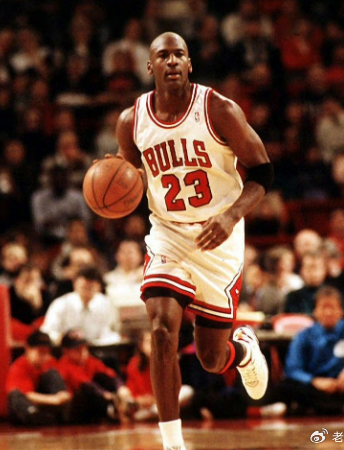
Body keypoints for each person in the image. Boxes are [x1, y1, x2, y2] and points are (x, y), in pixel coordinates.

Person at [114, 32, 272, 450]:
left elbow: (263, 172)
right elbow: (131, 179)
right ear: (149, 66)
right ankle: (173, 444)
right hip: (168, 234)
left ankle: (242, 351)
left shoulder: (219, 110)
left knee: (211, 359)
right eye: (163, 55)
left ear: (189, 64)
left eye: (179, 55)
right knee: (161, 331)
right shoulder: (131, 122)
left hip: (219, 237)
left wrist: (231, 215)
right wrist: (115, 186)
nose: (171, 61)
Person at [267, 286, 344, 416]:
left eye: (333, 307)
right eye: (324, 307)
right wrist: (314, 381)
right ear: (315, 311)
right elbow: (292, 368)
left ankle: (337, 406)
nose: (328, 312)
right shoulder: (304, 335)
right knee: (288, 386)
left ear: (341, 311)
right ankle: (341, 407)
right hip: (317, 388)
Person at [57, 329, 133, 424]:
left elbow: (109, 374)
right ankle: (111, 410)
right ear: (66, 351)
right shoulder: (63, 364)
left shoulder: (90, 361)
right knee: (87, 391)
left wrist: (120, 387)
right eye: (77, 349)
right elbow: (85, 384)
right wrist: (109, 396)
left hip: (95, 399)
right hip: (75, 407)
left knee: (102, 377)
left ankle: (120, 407)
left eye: (84, 347)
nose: (82, 351)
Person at [5, 330, 72, 425]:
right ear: (28, 349)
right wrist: (54, 399)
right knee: (15, 396)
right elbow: (25, 395)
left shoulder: (50, 363)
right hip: (30, 407)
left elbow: (65, 390)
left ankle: (62, 415)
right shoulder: (19, 367)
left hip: (48, 405)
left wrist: (63, 396)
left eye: (47, 352)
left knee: (52, 374)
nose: (45, 356)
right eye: (41, 352)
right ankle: (36, 416)